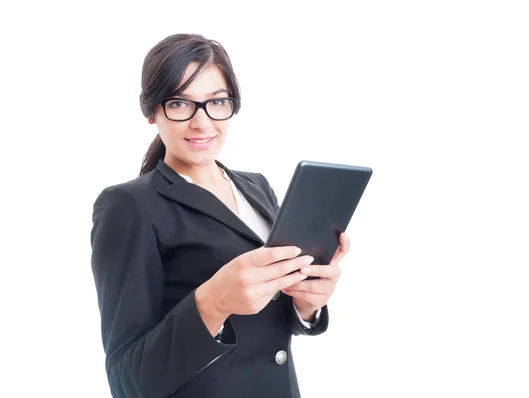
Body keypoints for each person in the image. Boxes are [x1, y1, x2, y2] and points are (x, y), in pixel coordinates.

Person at [90, 33, 350, 398]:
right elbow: (126, 380)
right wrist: (213, 302)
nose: (203, 123)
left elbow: (267, 322)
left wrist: (307, 305)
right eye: (180, 103)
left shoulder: (256, 187)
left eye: (217, 102)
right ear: (152, 112)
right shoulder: (129, 206)